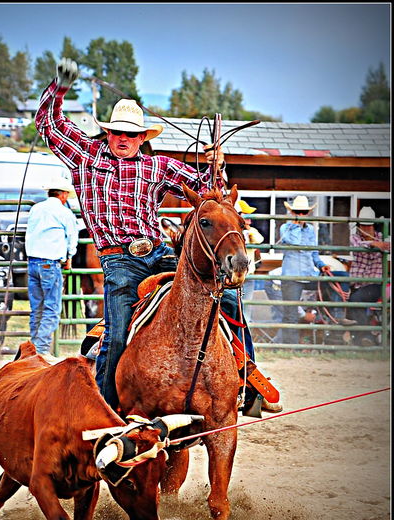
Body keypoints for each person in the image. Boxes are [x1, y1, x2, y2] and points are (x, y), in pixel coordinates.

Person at [35, 58, 268, 411]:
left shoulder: (157, 166)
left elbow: (209, 194)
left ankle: (248, 380)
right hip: (118, 261)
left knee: (227, 299)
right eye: (117, 132)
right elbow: (49, 125)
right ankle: (105, 411)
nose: (123, 139)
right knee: (115, 336)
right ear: (107, 133)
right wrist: (60, 87)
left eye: (131, 133)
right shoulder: (85, 156)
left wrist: (216, 165)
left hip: (159, 253)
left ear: (143, 137)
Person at [25, 176, 79, 362]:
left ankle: (33, 347)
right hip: (50, 261)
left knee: (37, 307)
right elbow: (72, 236)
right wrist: (69, 256)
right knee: (51, 307)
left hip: (32, 260)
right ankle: (40, 349)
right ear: (63, 195)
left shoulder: (36, 209)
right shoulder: (63, 212)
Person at [278, 195, 332, 344]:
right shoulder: (285, 228)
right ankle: (290, 347)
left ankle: (333, 328)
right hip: (292, 276)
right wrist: (296, 224)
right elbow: (295, 242)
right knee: (291, 314)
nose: (300, 215)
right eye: (297, 212)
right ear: (292, 212)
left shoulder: (310, 231)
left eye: (303, 212)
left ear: (307, 213)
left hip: (309, 274)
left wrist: (321, 265)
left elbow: (314, 253)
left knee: (331, 286)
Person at [346, 206, 390, 346]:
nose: (366, 229)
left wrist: (381, 243)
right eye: (363, 225)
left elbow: (388, 245)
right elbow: (360, 245)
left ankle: (366, 337)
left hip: (374, 283)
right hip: (356, 283)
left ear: (373, 225)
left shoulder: (383, 236)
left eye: (368, 225)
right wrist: (375, 244)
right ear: (359, 226)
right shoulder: (354, 237)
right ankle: (358, 340)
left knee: (355, 300)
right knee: (348, 303)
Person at [235, 198, 264, 322]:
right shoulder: (233, 232)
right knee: (233, 304)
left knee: (246, 306)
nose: (249, 220)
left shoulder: (251, 232)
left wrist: (249, 232)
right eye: (246, 217)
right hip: (234, 275)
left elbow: (259, 240)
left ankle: (244, 335)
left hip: (248, 274)